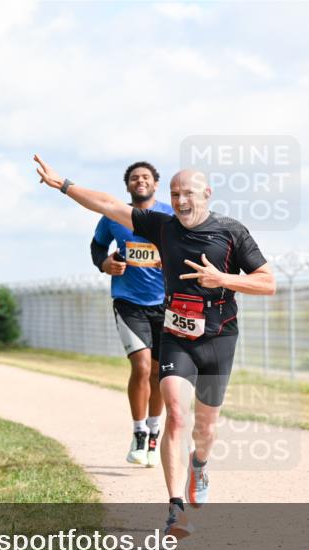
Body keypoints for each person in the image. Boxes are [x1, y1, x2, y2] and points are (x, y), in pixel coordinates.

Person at [34, 155, 276, 538]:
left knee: (205, 429)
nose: (181, 200)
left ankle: (199, 465)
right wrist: (62, 184)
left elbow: (267, 282)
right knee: (177, 417)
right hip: (176, 335)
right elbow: (108, 205)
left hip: (218, 337)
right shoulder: (161, 226)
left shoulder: (231, 232)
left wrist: (223, 279)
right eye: (175, 193)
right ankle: (175, 510)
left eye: (189, 193)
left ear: (207, 194)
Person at [90, 161, 171, 468]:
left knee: (160, 373)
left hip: (165, 303)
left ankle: (153, 431)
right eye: (134, 178)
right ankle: (138, 432)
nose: (140, 181)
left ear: (155, 184)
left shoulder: (169, 214)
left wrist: (171, 261)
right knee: (140, 366)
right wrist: (104, 264)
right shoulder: (113, 216)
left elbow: (188, 247)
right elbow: (97, 246)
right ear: (127, 186)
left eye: (146, 177)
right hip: (128, 301)